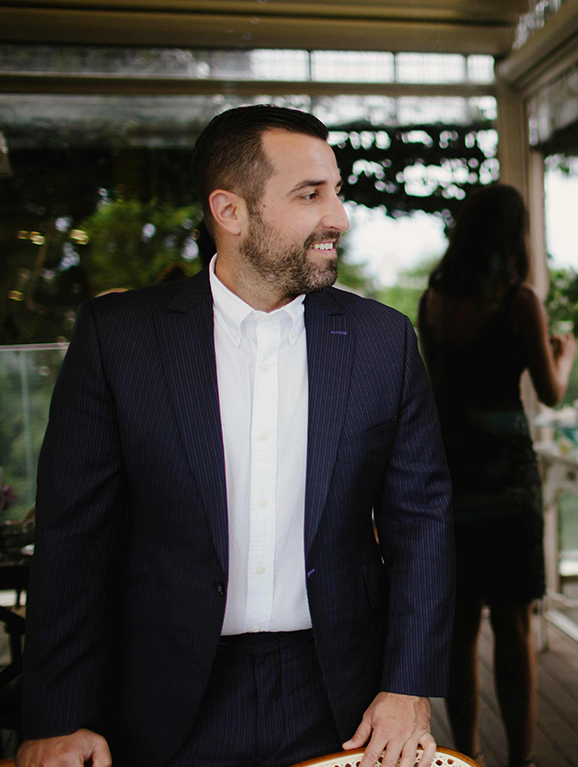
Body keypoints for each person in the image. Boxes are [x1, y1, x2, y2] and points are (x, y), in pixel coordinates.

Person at [19, 105, 454, 767]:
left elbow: (421, 521)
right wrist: (55, 714)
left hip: (341, 697)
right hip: (160, 695)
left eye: (335, 191)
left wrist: (410, 683)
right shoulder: (120, 338)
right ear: (229, 210)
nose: (337, 216)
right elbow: (72, 536)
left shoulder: (381, 341)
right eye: (310, 194)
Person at [416, 184, 576, 767]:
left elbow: (433, 388)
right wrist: (564, 351)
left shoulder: (433, 298)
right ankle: (522, 760)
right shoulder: (518, 300)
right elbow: (553, 392)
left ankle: (464, 752)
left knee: (458, 627)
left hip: (451, 473)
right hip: (507, 478)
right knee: (512, 624)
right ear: (513, 236)